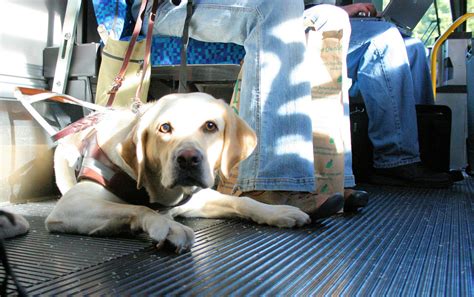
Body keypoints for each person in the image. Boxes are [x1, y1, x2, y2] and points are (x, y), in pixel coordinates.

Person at [131, 0, 369, 218]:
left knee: (331, 16)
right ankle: (268, 184)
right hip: (167, 7)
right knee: (274, 6)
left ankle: (330, 180)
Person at [306, 1, 453, 188]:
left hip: (327, 22)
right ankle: (394, 159)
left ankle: (427, 152)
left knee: (414, 48)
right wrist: (342, 11)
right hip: (300, 31)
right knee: (382, 38)